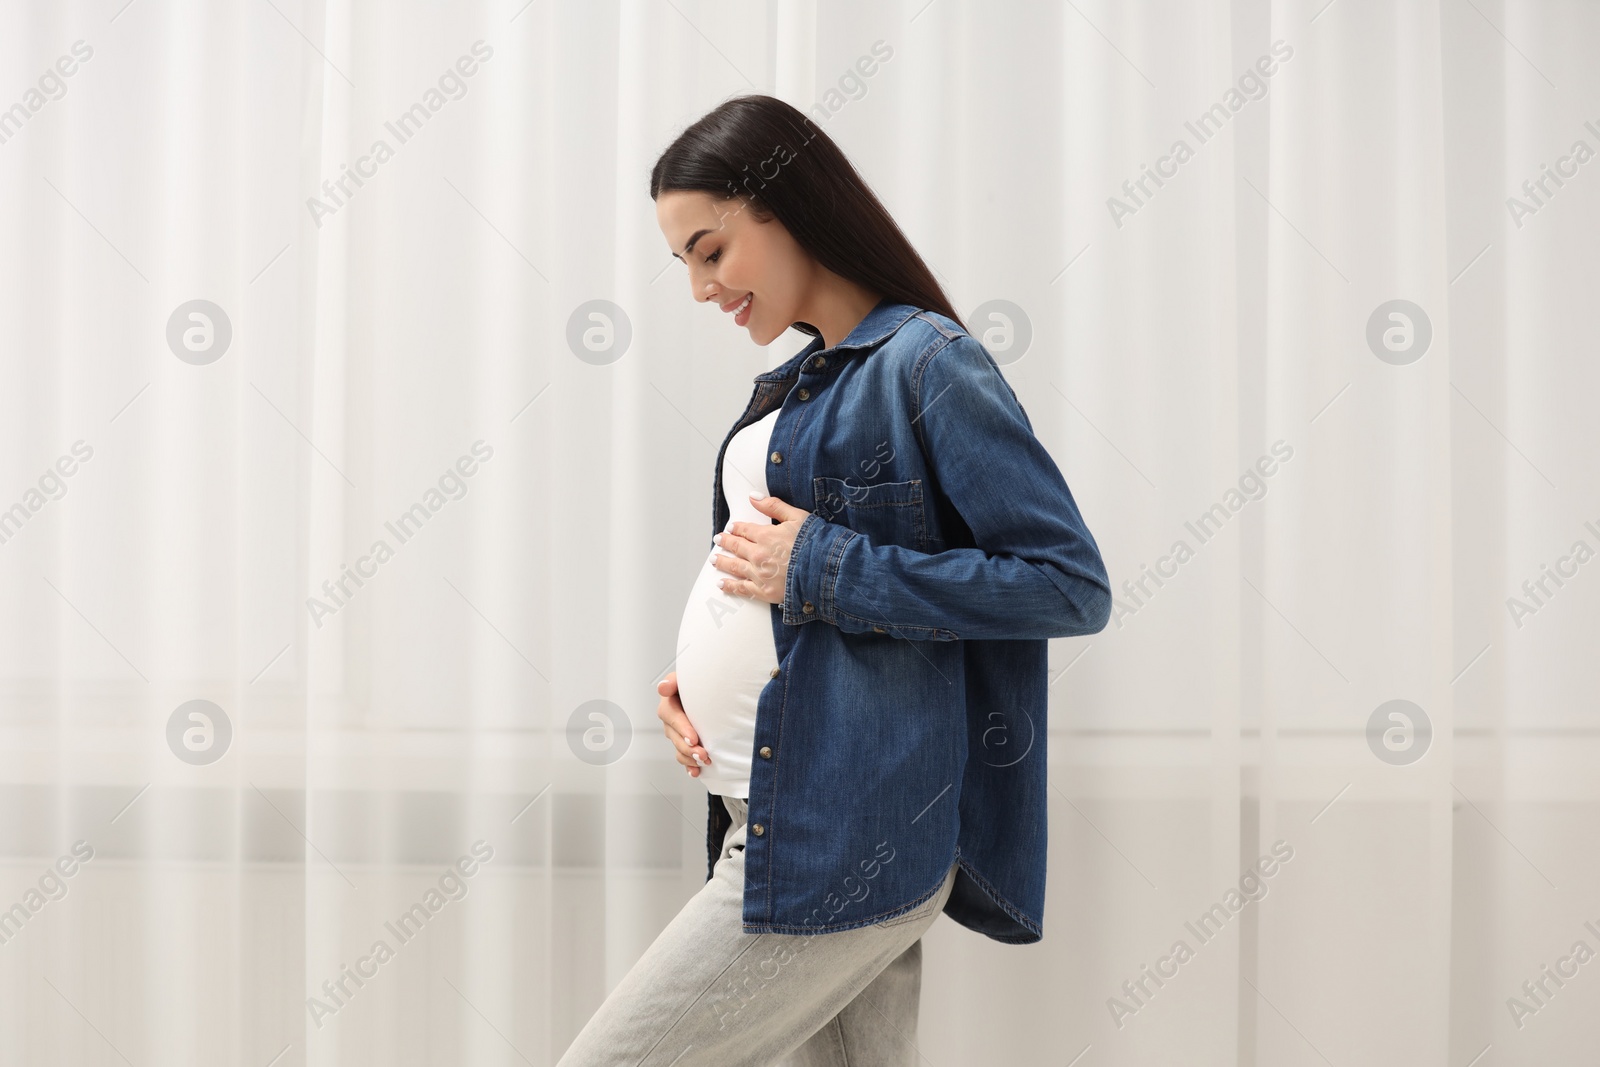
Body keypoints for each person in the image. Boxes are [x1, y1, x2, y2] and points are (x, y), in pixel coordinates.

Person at [556, 94, 1111, 1067]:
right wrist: (702, 680)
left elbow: (1064, 582)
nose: (697, 287)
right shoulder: (801, 381)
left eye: (709, 248)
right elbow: (769, 587)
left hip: (845, 827)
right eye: (683, 261)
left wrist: (821, 564)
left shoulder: (928, 362)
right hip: (775, 805)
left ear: (785, 205)